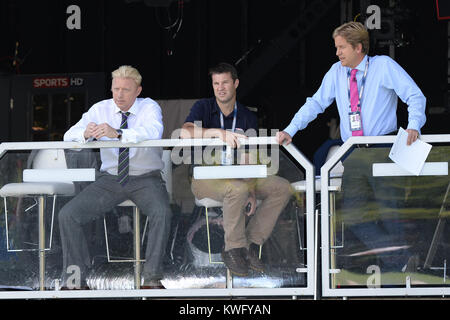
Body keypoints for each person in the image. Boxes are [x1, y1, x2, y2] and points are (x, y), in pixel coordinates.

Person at [277, 22, 426, 272]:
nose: (337, 53)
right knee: (354, 216)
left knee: (391, 214)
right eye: (336, 47)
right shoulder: (336, 72)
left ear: (359, 47)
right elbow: (315, 104)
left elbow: (415, 96)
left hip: (382, 150)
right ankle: (401, 263)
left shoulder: (383, 66)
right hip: (353, 153)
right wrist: (290, 130)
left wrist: (414, 125)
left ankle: (402, 270)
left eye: (342, 47)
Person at [59, 65, 172, 288]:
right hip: (110, 180)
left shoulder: (149, 107)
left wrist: (118, 133)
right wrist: (85, 133)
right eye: (115, 89)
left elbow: (152, 132)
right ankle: (76, 280)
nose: (119, 95)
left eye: (126, 90)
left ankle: (151, 279)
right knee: (67, 215)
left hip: (145, 178)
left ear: (138, 91)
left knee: (162, 213)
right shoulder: (100, 109)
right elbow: (67, 135)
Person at [180, 62, 292, 276]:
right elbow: (185, 132)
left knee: (282, 187)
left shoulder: (247, 116)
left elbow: (250, 157)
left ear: (236, 83)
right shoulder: (203, 106)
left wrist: (251, 189)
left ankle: (247, 245)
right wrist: (219, 134)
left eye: (225, 83)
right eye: (215, 83)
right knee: (237, 189)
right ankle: (233, 249)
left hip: (240, 177)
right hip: (205, 177)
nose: (220, 88)